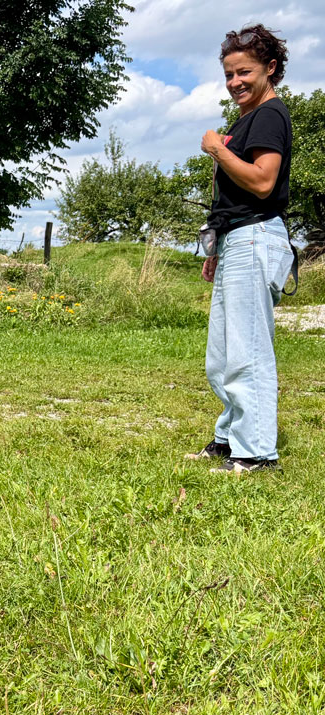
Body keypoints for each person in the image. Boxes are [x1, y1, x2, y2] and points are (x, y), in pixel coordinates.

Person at [187, 24, 294, 474]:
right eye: (229, 74)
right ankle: (230, 439)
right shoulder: (248, 118)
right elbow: (234, 196)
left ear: (270, 68)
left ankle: (256, 454)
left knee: (247, 352)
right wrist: (217, 245)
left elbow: (263, 182)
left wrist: (217, 149)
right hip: (237, 240)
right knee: (222, 356)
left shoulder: (269, 115)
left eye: (244, 72)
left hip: (256, 238)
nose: (235, 82)